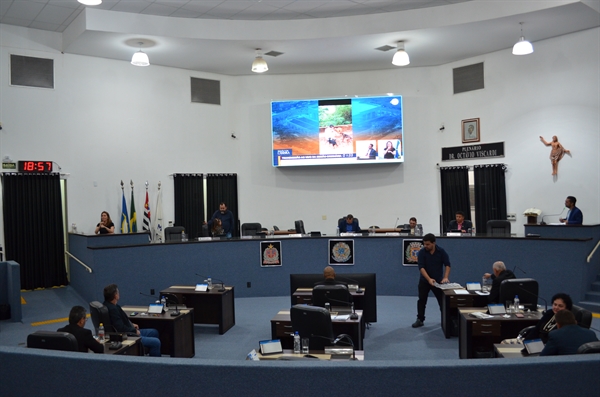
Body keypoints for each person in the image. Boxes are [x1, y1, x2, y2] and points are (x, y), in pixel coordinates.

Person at [102, 284, 161, 357]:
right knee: (156, 342)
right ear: (115, 295)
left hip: (130, 330)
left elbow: (121, 321)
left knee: (154, 332)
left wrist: (131, 324)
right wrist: (134, 331)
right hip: (128, 335)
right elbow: (120, 328)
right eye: (118, 292)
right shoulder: (113, 309)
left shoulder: (109, 305)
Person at [412, 233, 451, 328]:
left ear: (434, 243)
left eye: (428, 244)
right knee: (422, 300)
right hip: (425, 281)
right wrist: (429, 279)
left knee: (442, 301)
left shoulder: (441, 252)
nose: (425, 246)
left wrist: (445, 277)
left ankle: (446, 320)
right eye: (424, 244)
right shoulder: (422, 252)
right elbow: (421, 267)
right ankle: (420, 319)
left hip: (438, 282)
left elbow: (447, 265)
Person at [503, 292, 573, 344]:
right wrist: (526, 342)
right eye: (555, 304)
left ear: (567, 308)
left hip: (544, 345)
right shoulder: (549, 313)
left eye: (560, 306)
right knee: (504, 343)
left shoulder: (566, 320)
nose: (556, 307)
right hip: (534, 341)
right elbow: (536, 329)